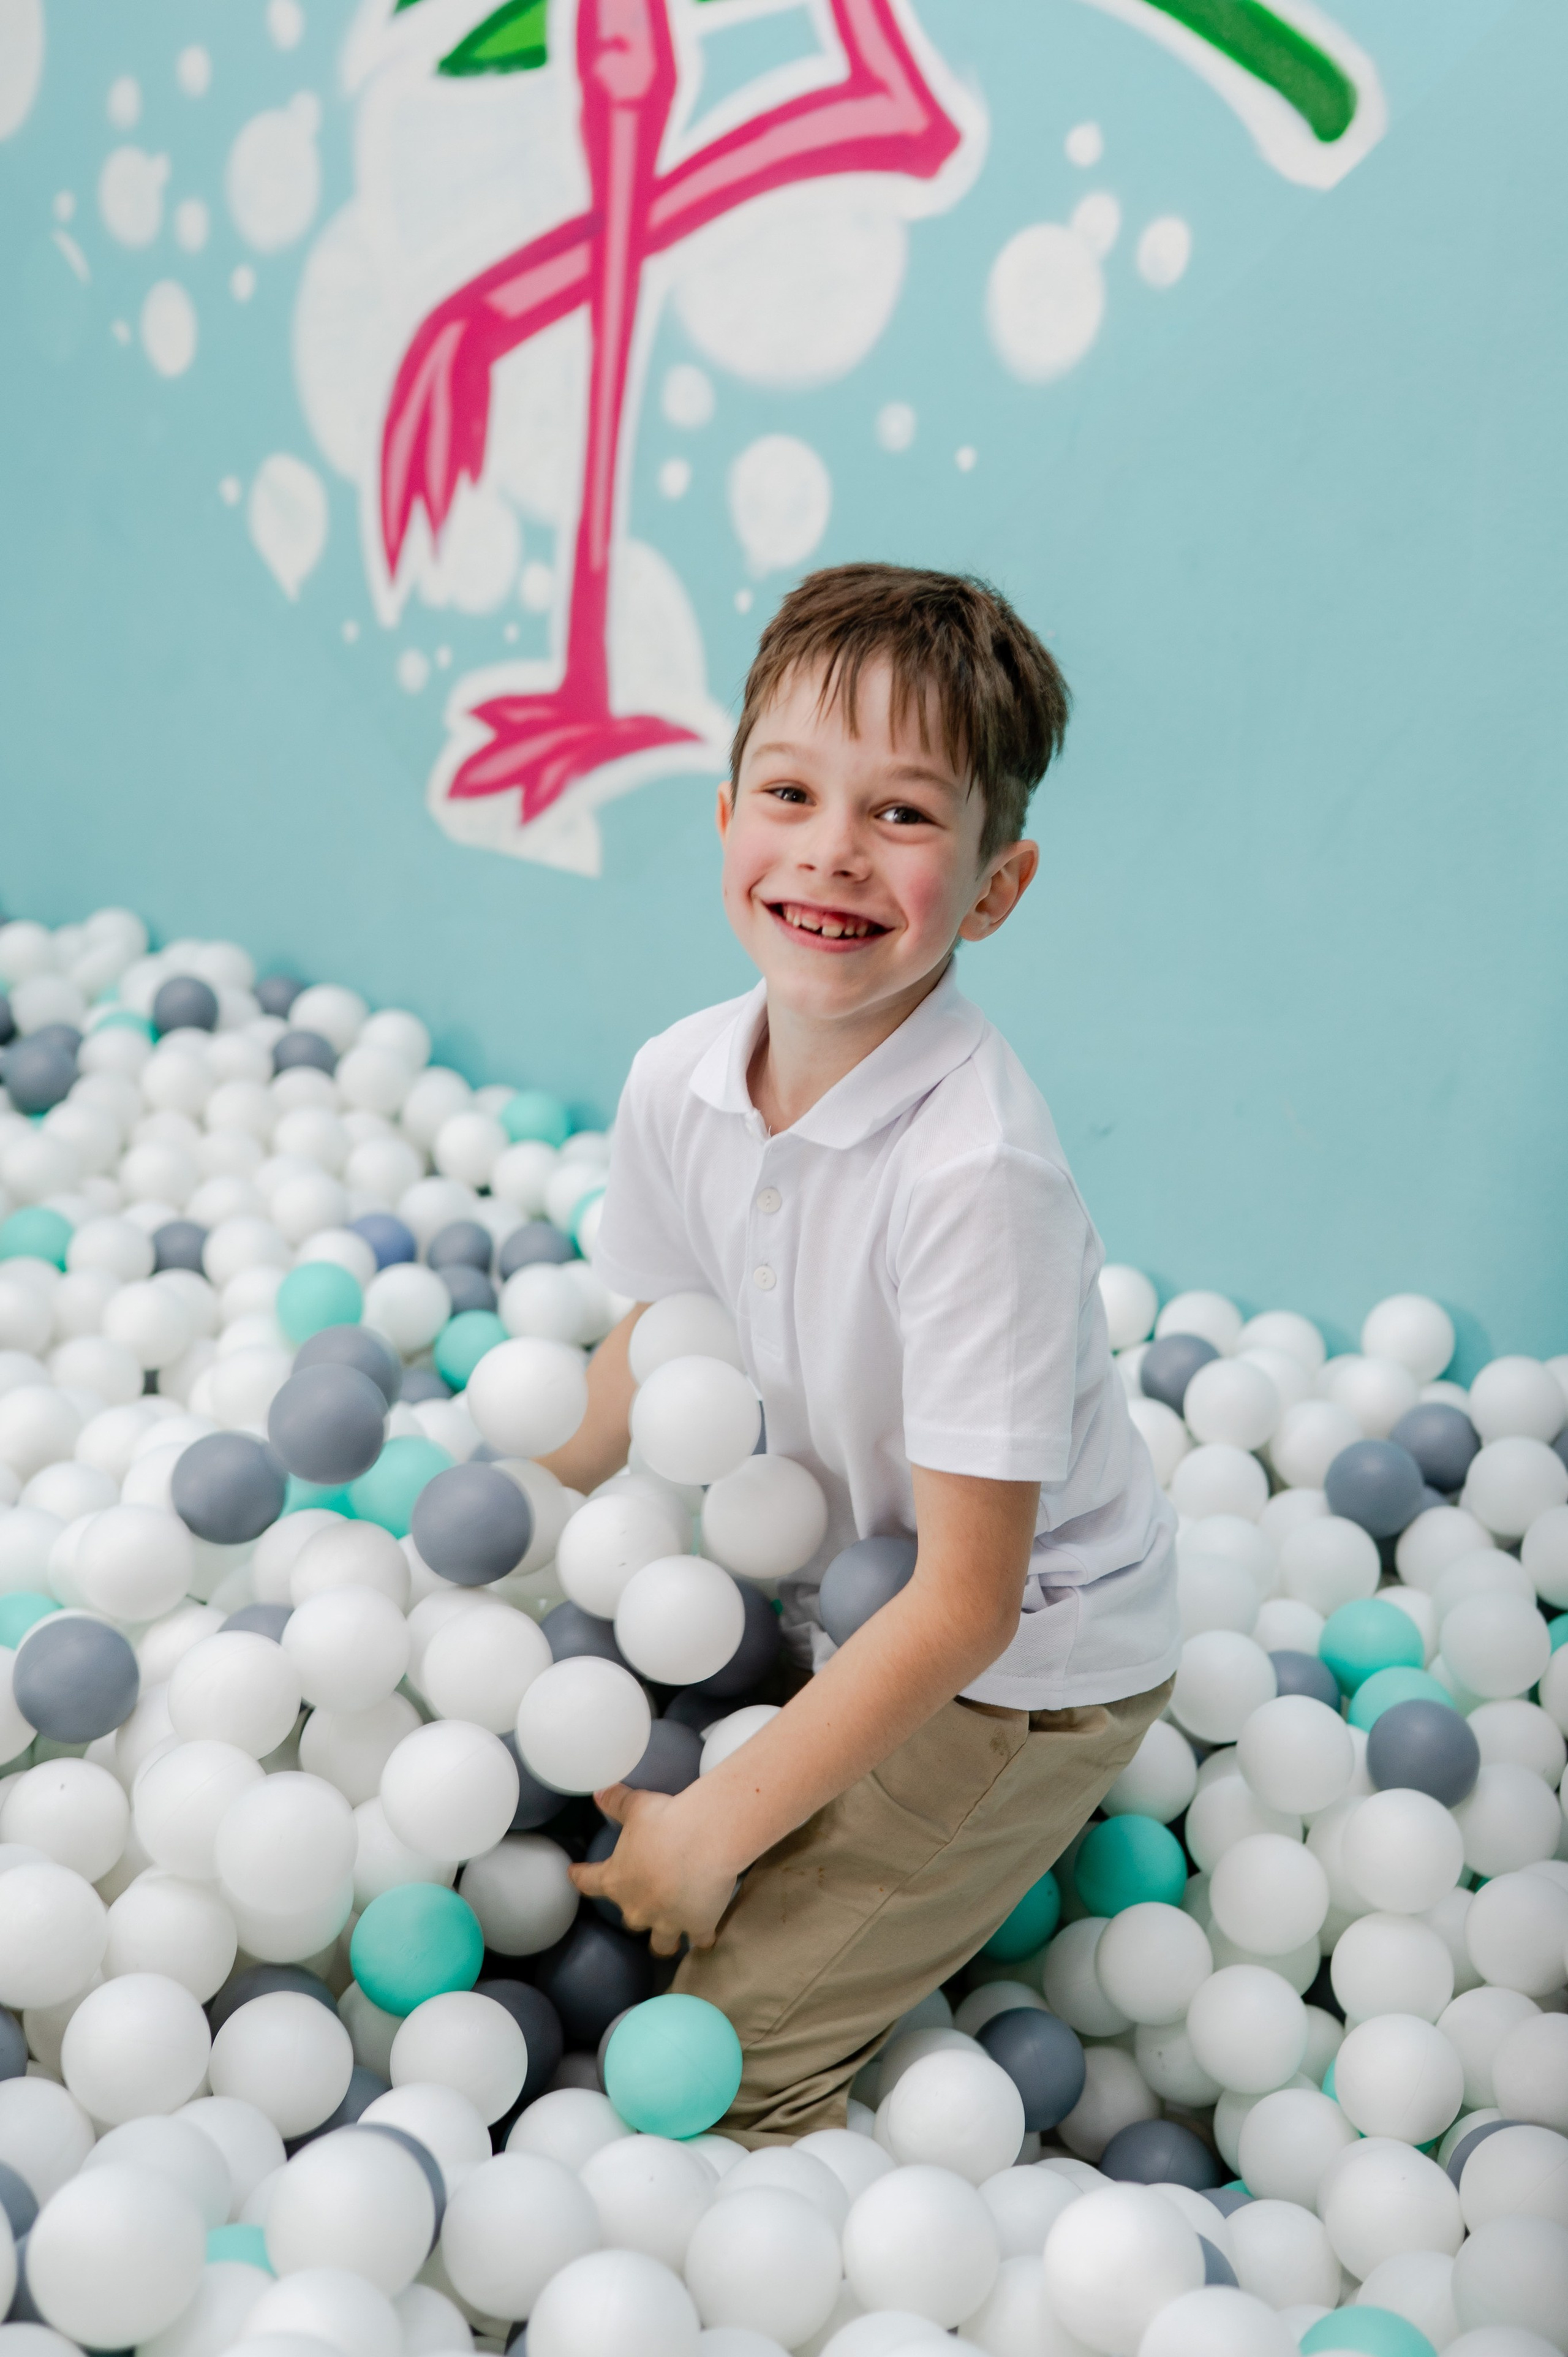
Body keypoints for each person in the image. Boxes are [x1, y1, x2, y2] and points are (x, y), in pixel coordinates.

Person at [546, 562, 1180, 2143]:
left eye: (901, 815)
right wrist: (536, 1508)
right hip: (833, 1573)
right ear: (725, 817)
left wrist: (713, 1834)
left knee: (717, 2071)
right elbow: (662, 1334)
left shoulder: (976, 1177)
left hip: (1024, 1659)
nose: (830, 849)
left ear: (993, 887)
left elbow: (967, 1606)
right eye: (791, 791)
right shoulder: (680, 1075)